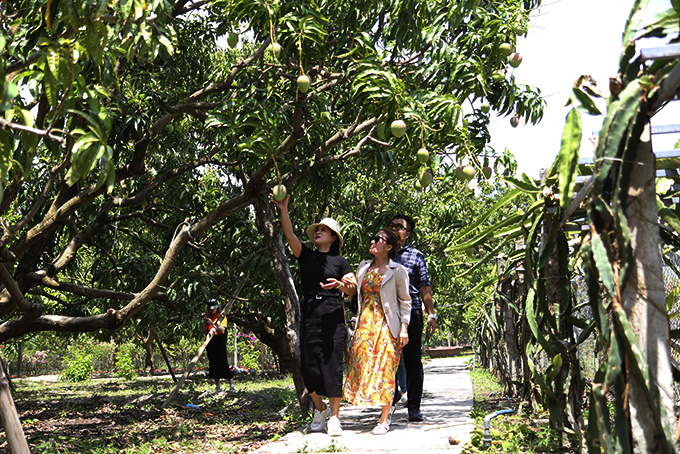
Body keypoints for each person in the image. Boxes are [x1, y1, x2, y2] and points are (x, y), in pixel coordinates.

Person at [271, 194, 357, 437]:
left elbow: (352, 288)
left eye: (324, 230)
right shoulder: (306, 255)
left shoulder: (340, 261)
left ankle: (335, 417)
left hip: (332, 314)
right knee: (308, 367)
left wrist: (339, 285)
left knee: (332, 365)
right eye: (317, 229)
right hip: (310, 313)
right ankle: (320, 409)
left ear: (333, 237)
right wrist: (283, 209)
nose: (318, 231)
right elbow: (290, 236)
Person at [344, 229, 411, 435]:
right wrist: (342, 285)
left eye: (377, 239)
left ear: (389, 247)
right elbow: (355, 293)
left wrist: (404, 328)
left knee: (387, 369)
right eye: (373, 238)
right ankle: (378, 406)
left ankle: (384, 418)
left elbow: (405, 301)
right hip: (365, 324)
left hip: (388, 325)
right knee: (362, 365)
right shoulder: (363, 267)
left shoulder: (398, 270)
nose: (372, 241)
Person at [388, 214, 436, 422]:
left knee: (413, 361)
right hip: (387, 313)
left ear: (407, 234)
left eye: (399, 227)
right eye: (391, 225)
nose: (394, 229)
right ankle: (389, 402)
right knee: (387, 359)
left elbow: (424, 285)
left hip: (412, 311)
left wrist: (431, 313)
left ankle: (414, 407)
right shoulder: (381, 253)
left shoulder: (416, 255)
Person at [202, 298, 235, 393]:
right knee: (213, 364)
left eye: (213, 309)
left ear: (217, 308)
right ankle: (217, 386)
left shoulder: (221, 317)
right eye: (210, 309)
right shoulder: (207, 317)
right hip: (210, 341)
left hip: (220, 341)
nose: (212, 311)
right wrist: (206, 324)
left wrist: (212, 323)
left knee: (223, 362)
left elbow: (222, 330)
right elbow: (205, 332)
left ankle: (231, 385)